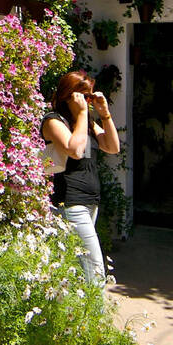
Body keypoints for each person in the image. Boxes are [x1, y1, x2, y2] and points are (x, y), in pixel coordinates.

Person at [41, 70, 120, 286]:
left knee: (76, 269)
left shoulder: (87, 124)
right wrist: (83, 114)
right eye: (85, 97)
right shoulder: (53, 121)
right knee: (94, 272)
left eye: (90, 97)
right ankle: (97, 317)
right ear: (70, 96)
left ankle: (77, 317)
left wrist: (104, 114)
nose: (88, 102)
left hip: (89, 202)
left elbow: (112, 147)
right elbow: (74, 150)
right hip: (70, 203)